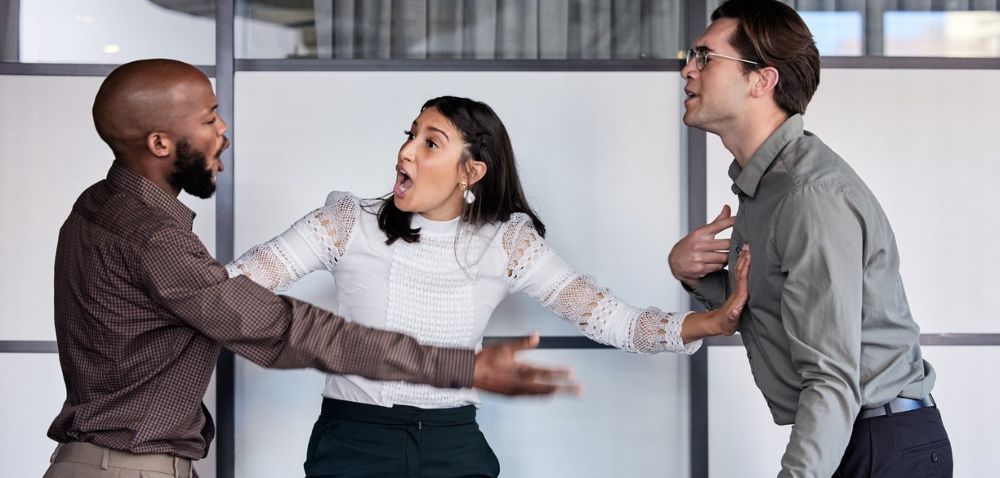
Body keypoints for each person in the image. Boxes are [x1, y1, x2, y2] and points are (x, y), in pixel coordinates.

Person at [44, 59, 575, 478]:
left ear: (473, 172)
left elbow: (222, 299)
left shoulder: (99, 206)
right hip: (130, 468)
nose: (224, 129)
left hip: (113, 461)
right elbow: (284, 329)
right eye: (208, 120)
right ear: (160, 143)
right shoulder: (152, 237)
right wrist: (465, 368)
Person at [228, 95, 751, 477]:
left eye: (429, 142)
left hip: (454, 446)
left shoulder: (507, 244)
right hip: (355, 440)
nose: (406, 152)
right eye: (409, 135)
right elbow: (230, 289)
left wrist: (710, 320)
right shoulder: (347, 221)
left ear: (471, 171)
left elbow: (612, 319)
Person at [668, 1, 951, 476]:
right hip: (853, 434)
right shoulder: (768, 186)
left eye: (705, 57)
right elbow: (770, 310)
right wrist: (690, 275)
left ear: (762, 80)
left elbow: (831, 376)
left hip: (877, 443)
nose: (687, 71)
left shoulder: (808, 196)